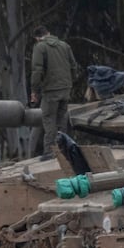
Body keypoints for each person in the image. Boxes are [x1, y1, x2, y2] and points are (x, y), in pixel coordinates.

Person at [29, 25, 78, 159]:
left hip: (51, 90)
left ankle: (50, 151)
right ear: (48, 33)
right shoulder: (64, 45)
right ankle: (64, 149)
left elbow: (37, 70)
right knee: (62, 119)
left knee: (49, 119)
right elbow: (74, 66)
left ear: (37, 38)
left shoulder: (40, 47)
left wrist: (34, 90)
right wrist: (69, 83)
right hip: (65, 88)